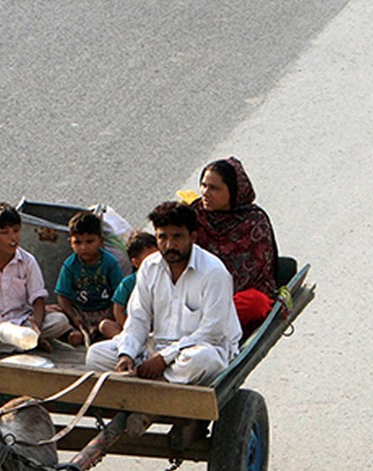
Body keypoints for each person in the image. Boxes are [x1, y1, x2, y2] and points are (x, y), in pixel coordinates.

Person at [85, 202, 241, 384]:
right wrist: (126, 354)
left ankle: (153, 382)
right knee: (96, 355)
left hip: (200, 349)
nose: (169, 245)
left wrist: (164, 358)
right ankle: (157, 379)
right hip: (156, 348)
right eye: (162, 237)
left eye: (177, 237)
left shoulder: (213, 272)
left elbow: (212, 332)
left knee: (201, 360)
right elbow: (138, 318)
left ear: (192, 237)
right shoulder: (149, 267)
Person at [0, 202, 71, 355]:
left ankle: (25, 340)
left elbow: (38, 300)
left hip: (23, 321)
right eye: (4, 233)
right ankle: (23, 344)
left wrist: (37, 325)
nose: (13, 238)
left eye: (16, 231)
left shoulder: (28, 261)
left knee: (59, 322)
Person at [191, 157, 279, 335]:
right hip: (198, 298)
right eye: (203, 185)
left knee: (255, 303)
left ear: (234, 191)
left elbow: (255, 275)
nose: (205, 193)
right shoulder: (194, 215)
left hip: (235, 300)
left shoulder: (254, 223)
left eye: (214, 188)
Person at [54, 211, 124, 345]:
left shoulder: (109, 263)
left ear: (100, 241)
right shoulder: (70, 265)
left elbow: (119, 294)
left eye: (89, 241)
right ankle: (76, 332)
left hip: (106, 313)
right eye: (78, 242)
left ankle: (98, 334)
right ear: (70, 243)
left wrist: (115, 315)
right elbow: (62, 296)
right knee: (52, 312)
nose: (84, 247)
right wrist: (74, 317)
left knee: (106, 326)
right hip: (81, 313)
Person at [99, 230, 157, 340]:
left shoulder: (163, 279)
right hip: (130, 326)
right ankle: (125, 341)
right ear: (135, 262)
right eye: (149, 259)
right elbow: (118, 307)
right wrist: (126, 326)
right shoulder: (128, 282)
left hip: (154, 328)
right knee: (105, 325)